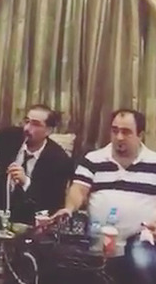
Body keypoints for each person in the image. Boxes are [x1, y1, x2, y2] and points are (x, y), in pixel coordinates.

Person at [52, 109, 156, 284]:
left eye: (126, 132)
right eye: (115, 131)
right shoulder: (93, 159)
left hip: (141, 247)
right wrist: (69, 208)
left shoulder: (154, 163)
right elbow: (79, 189)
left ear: (140, 135)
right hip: (99, 249)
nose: (119, 137)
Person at [0, 104, 73, 229]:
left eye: (35, 124)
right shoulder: (10, 137)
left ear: (49, 130)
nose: (27, 128)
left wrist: (26, 183)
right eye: (27, 121)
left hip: (29, 221)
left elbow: (52, 203)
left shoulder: (59, 160)